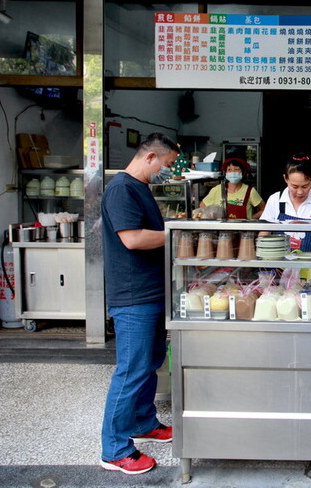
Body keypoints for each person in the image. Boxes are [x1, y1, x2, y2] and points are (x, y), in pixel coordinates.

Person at [99, 132, 179, 475]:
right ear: (151, 158)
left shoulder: (140, 187)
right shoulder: (121, 189)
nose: (168, 171)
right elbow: (132, 239)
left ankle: (144, 423)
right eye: (168, 164)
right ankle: (114, 448)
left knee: (150, 362)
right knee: (131, 370)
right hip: (133, 297)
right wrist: (176, 233)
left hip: (150, 292)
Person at [259, 153, 311, 251]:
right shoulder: (275, 200)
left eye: (305, 186)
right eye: (294, 186)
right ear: (285, 179)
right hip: (280, 264)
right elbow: (264, 235)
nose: (300, 192)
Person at [200, 158, 265, 219]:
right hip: (221, 229)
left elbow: (264, 209)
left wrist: (250, 219)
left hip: (242, 229)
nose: (233, 172)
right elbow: (202, 205)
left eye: (236, 169)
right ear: (226, 173)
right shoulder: (217, 189)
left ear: (243, 173)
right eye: (229, 170)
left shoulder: (250, 191)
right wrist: (210, 215)